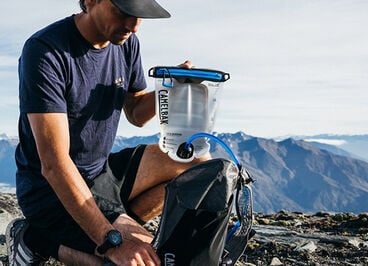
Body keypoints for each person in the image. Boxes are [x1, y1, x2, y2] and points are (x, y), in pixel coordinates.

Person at [6, 0, 209, 265]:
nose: (134, 26)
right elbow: (54, 164)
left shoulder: (124, 43)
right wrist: (110, 240)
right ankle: (35, 238)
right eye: (124, 12)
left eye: (139, 16)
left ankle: (114, 222)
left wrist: (171, 88)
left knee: (199, 165)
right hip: (50, 192)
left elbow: (136, 113)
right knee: (130, 259)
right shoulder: (45, 51)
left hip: (102, 173)